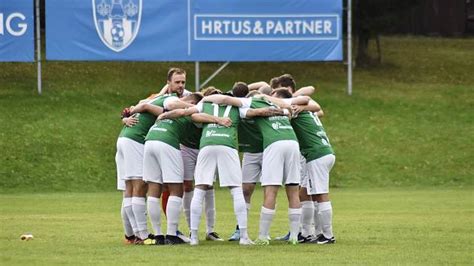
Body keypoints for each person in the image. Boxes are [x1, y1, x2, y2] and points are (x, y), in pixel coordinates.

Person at [201, 92, 310, 245]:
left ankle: (263, 236)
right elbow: (305, 99)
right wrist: (279, 105)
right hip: (292, 142)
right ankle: (294, 236)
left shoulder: (251, 101)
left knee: (271, 190)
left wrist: (205, 98)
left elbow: (225, 99)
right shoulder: (277, 103)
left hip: (274, 143)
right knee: (293, 189)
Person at [134, 93, 231, 245]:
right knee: (176, 189)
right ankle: (172, 234)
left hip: (150, 140)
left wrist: (162, 115)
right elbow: (187, 113)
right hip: (167, 141)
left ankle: (158, 236)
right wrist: (218, 119)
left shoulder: (167, 108)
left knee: (154, 187)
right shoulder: (191, 107)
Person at [267, 88, 336, 244]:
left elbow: (304, 99)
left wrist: (264, 96)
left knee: (321, 194)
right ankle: (306, 233)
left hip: (317, 154)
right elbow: (312, 104)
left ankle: (328, 235)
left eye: (274, 97)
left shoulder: (293, 108)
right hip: (322, 153)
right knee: (304, 193)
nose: (272, 99)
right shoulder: (302, 109)